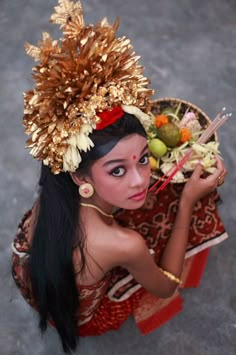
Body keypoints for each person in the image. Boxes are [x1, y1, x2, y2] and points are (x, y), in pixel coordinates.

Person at [12, 1, 227, 353]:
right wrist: (187, 201)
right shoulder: (124, 244)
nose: (140, 179)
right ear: (81, 173)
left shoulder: (56, 189)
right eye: (117, 170)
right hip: (87, 314)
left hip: (42, 279)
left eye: (143, 159)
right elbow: (166, 287)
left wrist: (123, 168)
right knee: (180, 201)